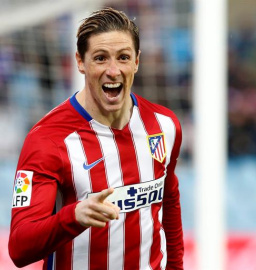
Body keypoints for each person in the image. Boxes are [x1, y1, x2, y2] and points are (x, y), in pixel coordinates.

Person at [8, 7, 184, 270]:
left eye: (123, 57)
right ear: (80, 62)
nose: (113, 71)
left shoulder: (165, 125)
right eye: (100, 58)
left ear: (137, 61)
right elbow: (19, 248)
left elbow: (169, 202)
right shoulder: (47, 140)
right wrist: (73, 216)